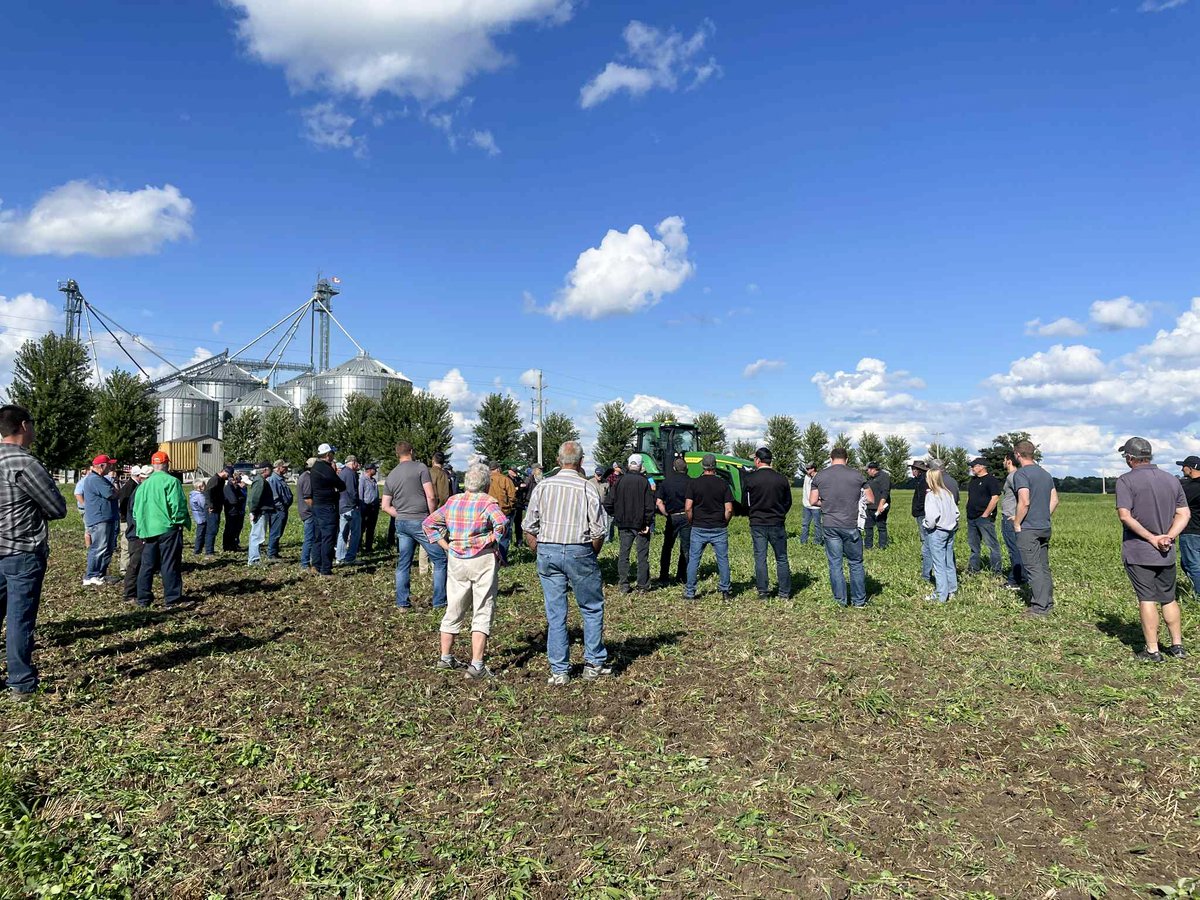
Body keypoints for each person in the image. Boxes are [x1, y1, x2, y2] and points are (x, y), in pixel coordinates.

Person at [523, 441, 611, 685]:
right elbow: (599, 530)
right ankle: (593, 663)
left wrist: (539, 549)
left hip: (548, 551)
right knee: (591, 607)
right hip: (579, 550)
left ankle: (560, 670)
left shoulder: (543, 486)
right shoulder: (587, 488)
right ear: (581, 462)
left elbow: (529, 526)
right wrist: (591, 554)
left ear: (558, 460)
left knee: (556, 612)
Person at [0, 405, 67, 700]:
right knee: (20, 617)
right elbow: (56, 507)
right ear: (24, 426)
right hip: (22, 550)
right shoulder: (25, 464)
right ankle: (21, 681)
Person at [423, 462, 508, 679]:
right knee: (482, 608)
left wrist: (446, 545)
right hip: (482, 559)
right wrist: (488, 540)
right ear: (486, 484)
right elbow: (501, 524)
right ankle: (477, 665)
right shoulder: (488, 502)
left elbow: (429, 523)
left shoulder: (453, 501)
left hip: (456, 559)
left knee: (454, 605)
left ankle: (445, 657)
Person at [1116, 438, 1189, 662]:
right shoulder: (1171, 480)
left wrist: (1151, 538)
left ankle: (1152, 650)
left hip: (1139, 552)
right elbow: (1184, 513)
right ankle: (1177, 646)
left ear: (1130, 458)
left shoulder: (1125, 481)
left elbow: (1124, 515)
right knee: (1168, 598)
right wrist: (1169, 537)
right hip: (1166, 552)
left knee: (1147, 598)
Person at [382, 441, 446, 610]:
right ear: (411, 451)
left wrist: (402, 515)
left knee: (404, 563)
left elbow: (385, 506)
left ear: (397, 454)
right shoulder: (421, 468)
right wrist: (431, 518)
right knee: (439, 559)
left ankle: (402, 603)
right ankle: (440, 601)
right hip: (420, 520)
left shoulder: (391, 475)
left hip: (401, 523)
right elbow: (431, 496)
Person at [811, 447, 874, 608]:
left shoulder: (820, 476)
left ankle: (840, 600)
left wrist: (826, 503)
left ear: (830, 458)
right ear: (847, 459)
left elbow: (812, 501)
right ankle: (859, 600)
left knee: (835, 563)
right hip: (851, 524)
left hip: (830, 524)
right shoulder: (857, 475)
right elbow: (870, 499)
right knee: (855, 563)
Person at [133, 451, 191, 608]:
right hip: (167, 529)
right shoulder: (172, 482)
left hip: (147, 530)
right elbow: (177, 505)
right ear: (167, 464)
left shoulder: (143, 485)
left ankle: (143, 598)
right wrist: (180, 522)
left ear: (153, 464)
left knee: (147, 565)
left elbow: (136, 510)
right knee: (169, 564)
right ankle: (172, 599)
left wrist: (141, 528)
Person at [1012, 439, 1058, 617]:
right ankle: (1048, 602)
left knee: (1033, 568)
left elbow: (1024, 501)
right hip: (1044, 526)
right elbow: (1055, 500)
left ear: (1017, 454)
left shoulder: (1021, 474)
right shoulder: (1045, 474)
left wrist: (1017, 522)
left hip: (1029, 528)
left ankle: (1039, 607)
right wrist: (1043, 515)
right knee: (1043, 567)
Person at [684, 453, 734, 601]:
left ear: (702, 466)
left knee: (694, 560)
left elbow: (688, 507)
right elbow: (729, 509)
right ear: (715, 466)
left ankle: (690, 592)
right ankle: (725, 591)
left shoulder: (693, 483)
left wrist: (692, 521)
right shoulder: (723, 484)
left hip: (699, 527)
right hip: (719, 527)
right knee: (723, 560)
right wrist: (725, 521)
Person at [745, 447, 792, 599]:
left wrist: (753, 514)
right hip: (777, 522)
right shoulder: (781, 479)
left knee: (760, 558)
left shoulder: (750, 479)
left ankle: (763, 591)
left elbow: (746, 503)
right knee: (781, 558)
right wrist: (780, 513)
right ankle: (784, 592)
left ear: (758, 460)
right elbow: (788, 502)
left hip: (758, 522)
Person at [605, 453, 655, 593]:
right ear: (640, 466)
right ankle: (642, 585)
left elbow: (608, 503)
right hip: (640, 525)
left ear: (628, 465)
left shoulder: (619, 481)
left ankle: (624, 585)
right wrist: (647, 523)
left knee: (624, 555)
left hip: (623, 524)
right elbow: (649, 506)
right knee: (642, 556)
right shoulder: (644, 481)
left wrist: (617, 515)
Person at [76, 454, 119, 586]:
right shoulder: (94, 479)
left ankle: (101, 573)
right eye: (109, 464)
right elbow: (111, 494)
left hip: (108, 517)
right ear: (102, 466)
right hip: (99, 518)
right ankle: (91, 576)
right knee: (99, 547)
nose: (111, 466)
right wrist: (115, 490)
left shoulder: (102, 479)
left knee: (108, 547)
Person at [923, 467, 960, 603]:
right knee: (948, 561)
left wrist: (926, 525)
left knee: (938, 564)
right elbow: (956, 513)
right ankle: (952, 590)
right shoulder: (948, 493)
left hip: (937, 531)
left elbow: (932, 517)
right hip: (950, 530)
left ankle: (941, 595)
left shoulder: (931, 495)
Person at [307, 444, 344, 577]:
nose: (333, 456)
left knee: (318, 537)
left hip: (317, 506)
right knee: (328, 537)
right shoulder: (326, 469)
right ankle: (326, 568)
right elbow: (341, 484)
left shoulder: (316, 467)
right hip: (327, 507)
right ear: (328, 455)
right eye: (332, 454)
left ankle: (316, 565)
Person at [965, 457, 1003, 576]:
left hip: (984, 518)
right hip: (972, 518)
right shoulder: (973, 480)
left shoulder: (991, 480)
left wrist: (986, 514)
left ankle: (997, 571)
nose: (972, 468)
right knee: (973, 545)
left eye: (974, 466)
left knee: (992, 545)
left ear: (981, 467)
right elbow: (970, 496)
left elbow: (995, 497)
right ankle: (973, 569)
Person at [656, 458, 691, 585]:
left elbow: (659, 502)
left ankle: (664, 577)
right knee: (685, 548)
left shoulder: (666, 482)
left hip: (672, 517)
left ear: (674, 468)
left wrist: (666, 514)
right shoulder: (690, 482)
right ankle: (682, 576)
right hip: (686, 516)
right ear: (686, 468)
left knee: (667, 547)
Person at [122, 466, 154, 604]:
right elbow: (136, 515)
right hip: (137, 534)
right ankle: (129, 595)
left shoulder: (141, 490)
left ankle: (136, 593)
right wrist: (143, 532)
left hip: (138, 532)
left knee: (140, 564)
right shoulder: (139, 492)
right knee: (135, 564)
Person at [1175, 455, 1200, 595]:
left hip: (1191, 530)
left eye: (1183, 466)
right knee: (1190, 564)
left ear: (1190, 469)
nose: (1181, 469)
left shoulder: (1189, 488)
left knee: (1191, 565)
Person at [1000, 453, 1025, 589]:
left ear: (1009, 461)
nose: (1003, 462)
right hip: (1012, 516)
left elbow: (1023, 496)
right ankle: (1021, 576)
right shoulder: (1018, 475)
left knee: (1014, 549)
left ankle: (1016, 580)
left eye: (1004, 460)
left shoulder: (1013, 476)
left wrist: (1016, 515)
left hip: (1010, 518)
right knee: (1017, 549)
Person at [117, 465, 147, 573]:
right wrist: (127, 517)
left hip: (128, 519)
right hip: (126, 520)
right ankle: (124, 567)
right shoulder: (130, 487)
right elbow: (124, 504)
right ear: (138, 476)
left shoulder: (132, 485)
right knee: (126, 545)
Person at [246, 461, 276, 566]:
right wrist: (253, 511)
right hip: (260, 512)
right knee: (256, 536)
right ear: (265, 470)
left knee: (258, 535)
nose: (272, 470)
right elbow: (254, 498)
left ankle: (255, 558)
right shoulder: (260, 481)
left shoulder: (261, 480)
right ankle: (254, 560)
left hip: (261, 511)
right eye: (271, 468)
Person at [486, 461, 517, 564]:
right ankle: (502, 561)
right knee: (504, 537)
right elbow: (512, 496)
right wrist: (510, 506)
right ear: (498, 468)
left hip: (488, 513)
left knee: (489, 536)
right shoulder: (505, 480)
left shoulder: (485, 480)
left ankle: (491, 560)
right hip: (504, 512)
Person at [335, 455, 362, 565]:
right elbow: (352, 491)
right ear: (353, 462)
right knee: (355, 533)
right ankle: (350, 557)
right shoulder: (351, 474)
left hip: (342, 506)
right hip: (350, 507)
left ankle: (340, 557)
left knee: (342, 532)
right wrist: (356, 504)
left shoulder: (342, 473)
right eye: (357, 463)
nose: (358, 465)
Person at [910, 460, 934, 583]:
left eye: (913, 469)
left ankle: (927, 567)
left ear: (918, 470)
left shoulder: (924, 481)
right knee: (925, 539)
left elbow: (923, 498)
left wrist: (918, 509)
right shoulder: (920, 480)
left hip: (923, 513)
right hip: (921, 512)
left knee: (926, 539)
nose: (912, 471)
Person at [862, 462, 891, 549]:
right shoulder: (870, 478)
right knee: (868, 527)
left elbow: (885, 492)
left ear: (873, 469)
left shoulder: (884, 477)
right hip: (869, 506)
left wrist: (881, 505)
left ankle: (882, 546)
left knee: (881, 527)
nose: (867, 472)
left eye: (867, 470)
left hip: (880, 507)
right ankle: (868, 546)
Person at [202, 466, 230, 556]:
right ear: (224, 472)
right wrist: (210, 505)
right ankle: (209, 551)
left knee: (215, 528)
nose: (228, 477)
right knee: (212, 529)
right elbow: (208, 492)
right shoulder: (215, 480)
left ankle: (210, 550)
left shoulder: (221, 480)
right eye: (228, 475)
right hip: (212, 508)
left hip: (217, 507)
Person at [267, 460, 292, 560]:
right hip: (277, 510)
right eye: (284, 467)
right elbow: (275, 497)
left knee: (279, 531)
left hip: (282, 509)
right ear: (278, 467)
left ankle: (275, 551)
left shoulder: (280, 479)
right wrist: (281, 507)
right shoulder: (274, 479)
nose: (286, 469)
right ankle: (271, 553)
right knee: (275, 531)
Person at [296, 458, 316, 572]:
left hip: (306, 511)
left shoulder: (304, 476)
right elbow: (308, 498)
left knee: (311, 538)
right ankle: (304, 563)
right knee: (309, 538)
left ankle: (311, 561)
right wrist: (316, 510)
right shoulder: (307, 478)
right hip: (309, 512)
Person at [359, 461, 381, 555]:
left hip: (374, 507)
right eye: (374, 469)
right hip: (365, 507)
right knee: (362, 528)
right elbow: (360, 494)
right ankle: (358, 547)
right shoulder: (362, 480)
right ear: (369, 470)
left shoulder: (373, 480)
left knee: (371, 528)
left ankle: (368, 547)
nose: (376, 470)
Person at [222, 471, 246, 552]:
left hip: (237, 511)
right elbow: (233, 500)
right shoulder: (228, 488)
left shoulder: (236, 488)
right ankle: (227, 546)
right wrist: (240, 499)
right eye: (234, 480)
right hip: (231, 512)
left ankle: (233, 544)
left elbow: (243, 497)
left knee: (236, 529)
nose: (235, 481)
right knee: (230, 529)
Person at [800, 463, 823, 545]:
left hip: (816, 506)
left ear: (813, 469)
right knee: (805, 524)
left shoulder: (819, 478)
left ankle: (818, 542)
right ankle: (803, 541)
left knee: (817, 525)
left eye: (808, 469)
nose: (807, 470)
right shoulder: (806, 477)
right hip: (806, 505)